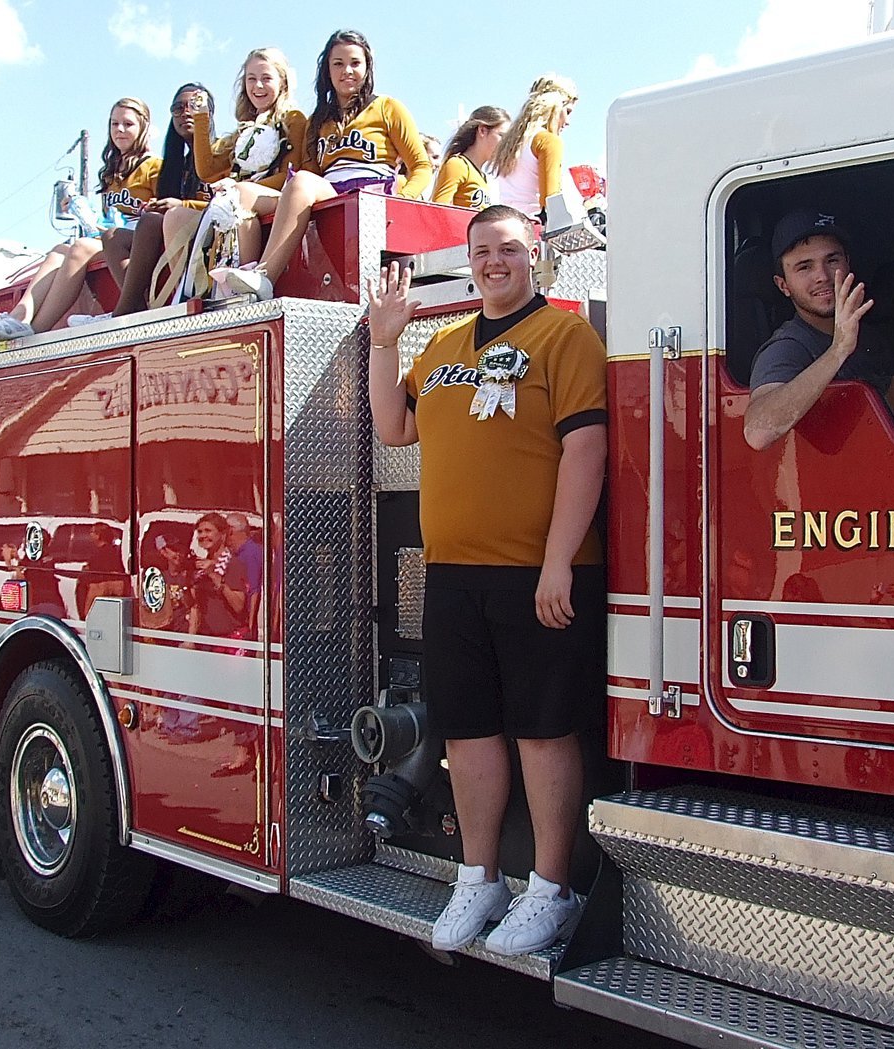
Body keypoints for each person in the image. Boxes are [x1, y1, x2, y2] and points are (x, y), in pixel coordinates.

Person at [368, 204, 607, 957]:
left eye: (509, 247)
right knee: (468, 732)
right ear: (467, 261)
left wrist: (559, 560)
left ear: (536, 252)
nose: (495, 260)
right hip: (454, 577)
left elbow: (586, 451)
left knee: (543, 732)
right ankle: (478, 879)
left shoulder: (565, 337)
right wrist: (383, 341)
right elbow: (393, 427)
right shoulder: (439, 346)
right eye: (482, 250)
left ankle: (551, 890)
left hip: (540, 577)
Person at [214, 29, 433, 301]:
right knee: (242, 194)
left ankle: (265, 277)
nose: (347, 71)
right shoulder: (318, 119)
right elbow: (311, 175)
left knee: (302, 180)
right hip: (329, 194)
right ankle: (243, 281)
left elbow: (421, 166)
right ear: (327, 70)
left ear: (367, 67)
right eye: (338, 64)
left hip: (369, 196)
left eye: (355, 63)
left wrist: (403, 199)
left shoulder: (388, 108)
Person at [113, 52, 307, 315]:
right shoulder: (242, 130)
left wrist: (239, 189)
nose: (258, 86)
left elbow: (291, 173)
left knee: (237, 200)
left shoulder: (293, 119)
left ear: (282, 83)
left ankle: (240, 293)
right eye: (251, 79)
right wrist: (201, 118)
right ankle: (193, 296)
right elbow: (206, 170)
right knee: (175, 217)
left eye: (266, 79)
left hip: (271, 196)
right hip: (234, 198)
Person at [0, 98, 159, 342]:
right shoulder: (112, 171)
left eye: (128, 124)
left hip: (135, 244)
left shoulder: (155, 166)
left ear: (143, 127)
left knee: (80, 247)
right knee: (58, 250)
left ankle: (36, 330)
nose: (120, 130)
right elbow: (104, 221)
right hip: (109, 239)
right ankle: (18, 317)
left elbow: (156, 217)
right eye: (114, 124)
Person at [743, 210, 891, 450]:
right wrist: (839, 349)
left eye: (832, 260)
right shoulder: (786, 348)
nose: (822, 276)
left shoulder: (874, 336)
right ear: (783, 285)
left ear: (848, 263)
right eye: (804, 267)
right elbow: (758, 433)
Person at [87, 82, 218, 321]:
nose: (186, 112)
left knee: (149, 222)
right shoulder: (172, 164)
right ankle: (137, 306)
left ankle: (123, 311)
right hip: (175, 229)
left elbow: (225, 201)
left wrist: (182, 205)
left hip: (213, 227)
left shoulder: (220, 151)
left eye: (195, 105)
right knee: (112, 236)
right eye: (177, 108)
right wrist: (159, 204)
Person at [493, 76, 577, 221]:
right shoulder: (548, 141)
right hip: (533, 228)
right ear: (555, 107)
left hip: (506, 223)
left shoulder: (511, 144)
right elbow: (550, 202)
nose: (568, 122)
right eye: (567, 111)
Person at [431, 106, 510, 210]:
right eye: (502, 136)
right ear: (482, 130)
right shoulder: (457, 164)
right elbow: (437, 211)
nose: (507, 144)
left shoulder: (482, 176)